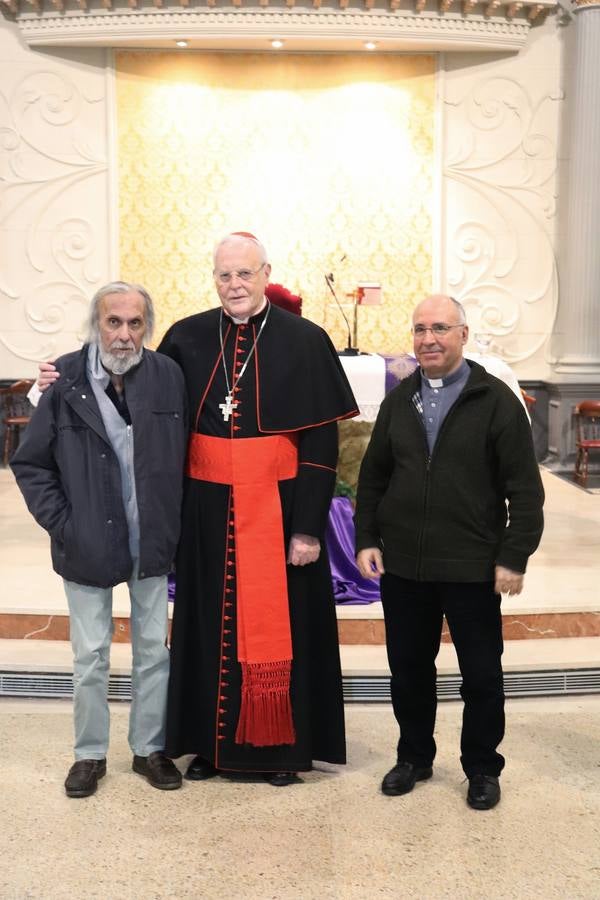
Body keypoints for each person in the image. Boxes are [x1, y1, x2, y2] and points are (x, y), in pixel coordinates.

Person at [157, 232, 357, 785]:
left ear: (266, 273)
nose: (234, 285)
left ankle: (282, 751)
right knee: (206, 623)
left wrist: (308, 529)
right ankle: (207, 746)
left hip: (281, 506)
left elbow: (320, 444)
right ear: (214, 278)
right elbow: (146, 404)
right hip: (206, 509)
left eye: (244, 273)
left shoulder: (304, 340)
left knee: (286, 625)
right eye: (224, 275)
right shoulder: (187, 337)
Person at [354, 294, 544, 810]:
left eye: (439, 328)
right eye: (419, 329)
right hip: (406, 567)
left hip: (471, 565)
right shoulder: (399, 399)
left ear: (463, 334)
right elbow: (371, 477)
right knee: (408, 670)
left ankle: (482, 767)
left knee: (481, 673)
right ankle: (413, 756)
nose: (428, 339)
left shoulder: (495, 400)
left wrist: (514, 555)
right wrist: (368, 537)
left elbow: (524, 489)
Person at [11, 282, 188, 798]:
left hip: (152, 540)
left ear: (147, 327)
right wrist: (63, 523)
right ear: (97, 324)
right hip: (86, 542)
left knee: (153, 651)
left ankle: (148, 749)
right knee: (91, 656)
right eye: (114, 322)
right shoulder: (63, 377)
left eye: (135, 323)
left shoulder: (167, 376)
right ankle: (89, 755)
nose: (124, 334)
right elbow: (31, 463)